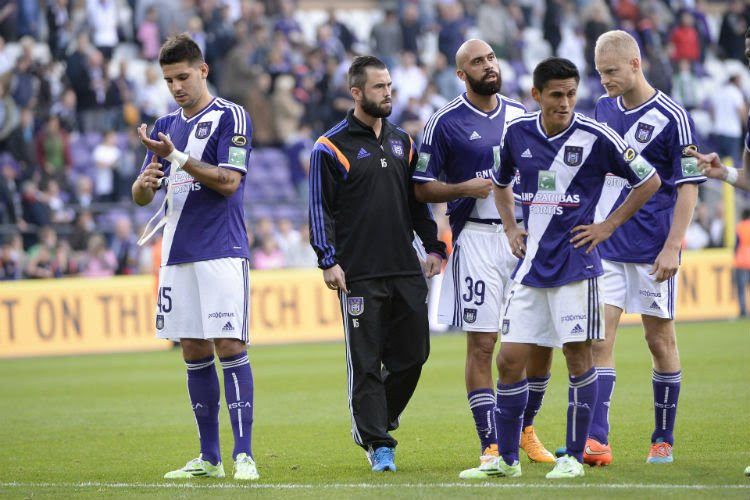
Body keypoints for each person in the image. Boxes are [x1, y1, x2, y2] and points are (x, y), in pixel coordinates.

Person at [490, 57, 660, 479]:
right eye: (556, 95)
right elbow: (499, 182)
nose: (565, 102)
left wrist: (608, 225)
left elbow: (650, 179)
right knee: (509, 360)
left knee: (577, 356)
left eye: (571, 94)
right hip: (530, 268)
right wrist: (511, 227)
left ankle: (572, 457)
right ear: (536, 95)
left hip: (576, 266)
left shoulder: (596, 135)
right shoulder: (517, 132)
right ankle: (506, 461)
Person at [412, 39, 555, 479]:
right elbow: (420, 186)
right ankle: (491, 442)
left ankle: (526, 429)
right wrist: (463, 188)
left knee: (540, 341)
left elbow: (546, 170)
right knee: (483, 344)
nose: (489, 66)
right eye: (478, 62)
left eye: (491, 58)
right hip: (475, 239)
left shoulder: (522, 115)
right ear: (461, 74)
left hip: (525, 239)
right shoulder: (443, 123)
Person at [573, 30, 706, 467]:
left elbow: (688, 187)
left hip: (653, 250)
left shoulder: (673, 117)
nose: (604, 80)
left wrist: (673, 247)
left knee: (659, 340)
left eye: (610, 71)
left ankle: (662, 438)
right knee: (598, 341)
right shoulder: (603, 109)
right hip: (608, 244)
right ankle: (597, 440)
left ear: (634, 64)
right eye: (599, 72)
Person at [308, 55, 446, 473]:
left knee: (414, 354)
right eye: (379, 87)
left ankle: (375, 417)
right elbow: (319, 210)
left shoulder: (404, 141)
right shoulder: (329, 147)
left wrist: (434, 246)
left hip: (406, 267)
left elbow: (417, 201)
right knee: (366, 362)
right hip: (358, 274)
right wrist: (328, 261)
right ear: (356, 93)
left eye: (389, 86)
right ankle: (378, 442)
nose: (388, 92)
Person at [131, 34, 258, 481]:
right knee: (192, 349)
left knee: (229, 345)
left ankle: (244, 455)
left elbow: (228, 182)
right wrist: (145, 184)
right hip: (177, 252)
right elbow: (142, 195)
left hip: (221, 250)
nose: (176, 86)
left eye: (183, 76)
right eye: (168, 80)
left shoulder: (231, 116)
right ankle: (209, 457)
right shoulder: (166, 123)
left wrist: (178, 157)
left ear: (203, 70)